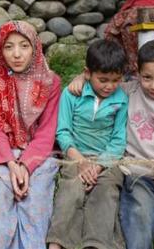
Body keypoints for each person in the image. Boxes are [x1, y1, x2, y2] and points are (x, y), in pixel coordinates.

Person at [69, 39, 154, 249]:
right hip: (137, 174)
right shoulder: (127, 91)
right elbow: (103, 79)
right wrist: (83, 78)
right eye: (147, 77)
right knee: (139, 216)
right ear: (137, 72)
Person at [0, 21, 61, 249]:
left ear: (35, 47)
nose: (16, 54)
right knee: (1, 198)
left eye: (24, 46)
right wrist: (11, 163)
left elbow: (47, 132)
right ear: (0, 50)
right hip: (4, 152)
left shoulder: (50, 82)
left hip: (40, 155)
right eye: (8, 47)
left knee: (35, 200)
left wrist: (25, 165)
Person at [46, 39, 128, 249]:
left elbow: (118, 140)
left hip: (107, 160)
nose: (110, 86)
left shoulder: (121, 99)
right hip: (75, 156)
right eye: (103, 80)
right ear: (87, 73)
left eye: (116, 80)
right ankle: (58, 242)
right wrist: (80, 161)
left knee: (105, 192)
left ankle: (96, 244)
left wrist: (99, 165)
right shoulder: (72, 94)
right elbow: (63, 132)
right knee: (71, 190)